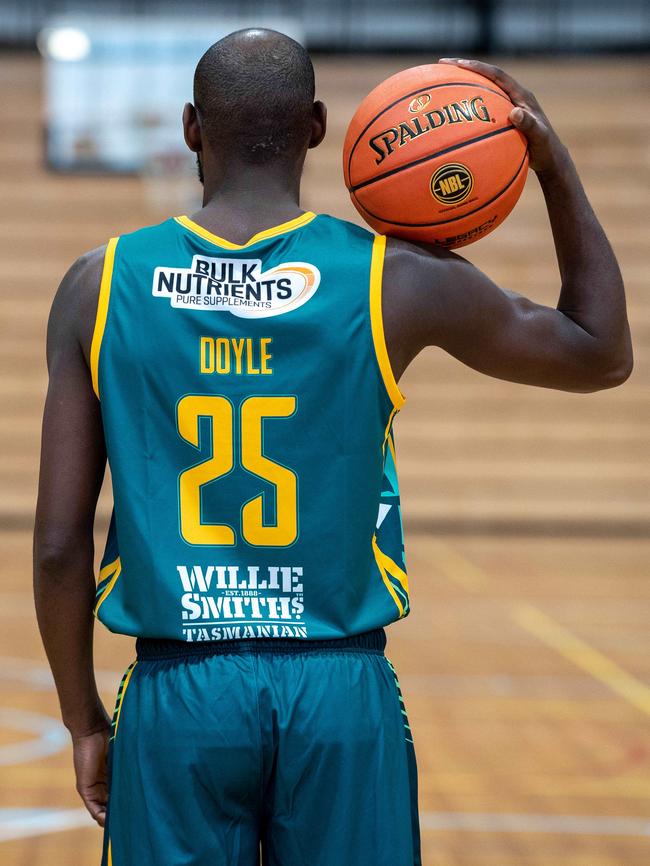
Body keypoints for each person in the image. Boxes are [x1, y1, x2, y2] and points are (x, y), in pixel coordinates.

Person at [33, 28, 632, 866]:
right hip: (340, 692)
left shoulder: (101, 283)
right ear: (318, 127)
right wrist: (548, 158)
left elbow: (61, 548)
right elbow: (600, 354)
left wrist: (84, 720)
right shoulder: (397, 278)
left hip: (178, 694)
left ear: (190, 129)